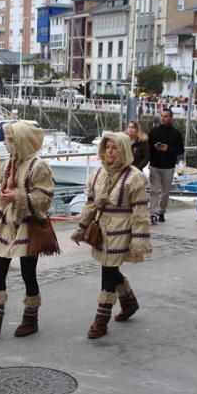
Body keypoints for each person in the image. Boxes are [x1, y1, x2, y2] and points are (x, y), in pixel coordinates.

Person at [0, 122, 56, 340]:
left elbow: (44, 199)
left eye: (10, 141)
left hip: (28, 226)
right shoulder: (10, 164)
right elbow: (2, 197)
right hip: (8, 224)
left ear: (21, 142)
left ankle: (30, 318)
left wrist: (18, 197)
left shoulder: (38, 166)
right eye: (7, 141)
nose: (7, 145)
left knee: (28, 274)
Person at [70, 132, 151, 339]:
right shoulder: (98, 175)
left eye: (114, 148)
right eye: (107, 147)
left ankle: (101, 319)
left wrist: (139, 239)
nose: (110, 152)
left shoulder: (135, 177)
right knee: (109, 267)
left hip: (122, 228)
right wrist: (82, 227)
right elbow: (89, 204)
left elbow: (140, 212)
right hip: (103, 227)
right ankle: (129, 301)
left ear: (123, 150)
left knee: (108, 270)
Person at [147, 108, 184, 224]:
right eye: (162, 116)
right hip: (154, 165)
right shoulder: (153, 132)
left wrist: (167, 148)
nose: (163, 118)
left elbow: (180, 150)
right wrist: (155, 148)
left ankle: (161, 212)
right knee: (154, 191)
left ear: (171, 118)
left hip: (168, 167)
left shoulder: (176, 133)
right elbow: (147, 148)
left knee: (165, 192)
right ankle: (152, 213)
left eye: (166, 116)